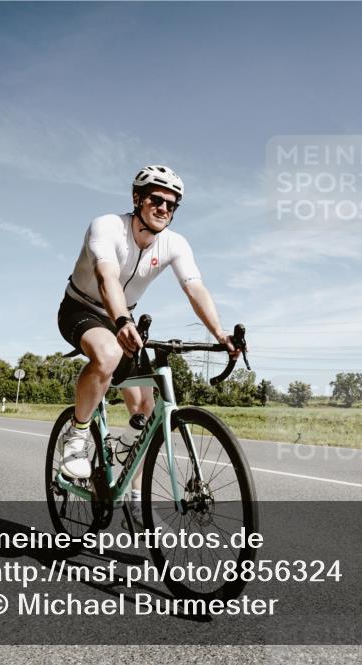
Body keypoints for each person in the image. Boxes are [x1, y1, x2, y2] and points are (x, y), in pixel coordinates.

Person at [56, 165, 239, 504]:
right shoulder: (107, 226)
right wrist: (123, 320)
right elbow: (106, 278)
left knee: (145, 407)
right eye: (156, 199)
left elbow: (195, 288)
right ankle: (77, 435)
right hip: (81, 309)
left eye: (172, 204)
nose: (164, 208)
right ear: (137, 198)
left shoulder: (174, 243)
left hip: (122, 318)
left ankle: (136, 496)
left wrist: (220, 333)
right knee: (108, 354)